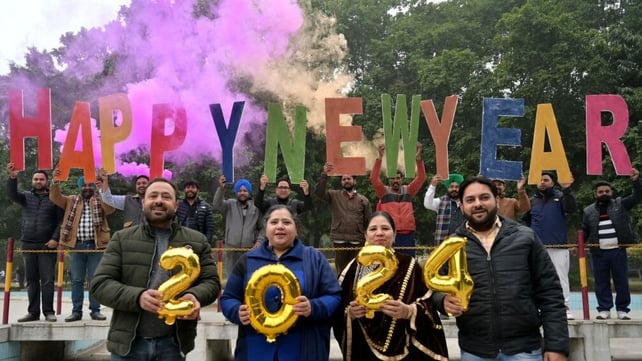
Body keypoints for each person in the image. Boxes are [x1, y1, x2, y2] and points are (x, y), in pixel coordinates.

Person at [434, 176, 568, 361]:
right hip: (475, 350)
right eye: (470, 200)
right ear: (462, 206)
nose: (478, 204)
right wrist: (441, 300)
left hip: (524, 349)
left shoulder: (525, 237)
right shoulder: (451, 245)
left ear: (496, 200)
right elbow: (432, 288)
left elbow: (550, 293)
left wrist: (557, 346)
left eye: (484, 197)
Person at [91, 178, 220, 360]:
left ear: (176, 205)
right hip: (128, 345)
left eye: (166, 196)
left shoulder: (197, 241)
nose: (159, 200)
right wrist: (138, 297)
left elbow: (212, 282)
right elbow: (100, 284)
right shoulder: (121, 238)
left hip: (174, 344)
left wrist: (195, 295)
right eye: (153, 196)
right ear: (144, 203)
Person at [221, 205, 341, 361]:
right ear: (265, 228)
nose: (280, 227)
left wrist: (313, 307)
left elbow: (334, 295)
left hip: (302, 349)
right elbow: (228, 298)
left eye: (286, 222)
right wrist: (236, 311)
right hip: (254, 349)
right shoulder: (247, 260)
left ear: (296, 228)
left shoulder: (314, 259)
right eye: (274, 222)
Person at [333, 211, 448, 361]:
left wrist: (408, 311)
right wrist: (350, 313)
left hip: (404, 348)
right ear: (366, 235)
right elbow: (338, 308)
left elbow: (428, 305)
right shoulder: (351, 269)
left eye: (385, 229)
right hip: (363, 349)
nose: (379, 233)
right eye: (373, 229)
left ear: (394, 235)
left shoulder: (409, 265)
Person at [50, 170, 115, 322]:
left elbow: (110, 208)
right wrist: (55, 181)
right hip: (76, 246)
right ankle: (76, 311)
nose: (87, 188)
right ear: (80, 187)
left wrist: (103, 186)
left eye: (90, 185)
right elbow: (55, 197)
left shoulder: (101, 200)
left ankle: (95, 310)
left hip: (96, 246)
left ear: (94, 187)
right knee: (77, 280)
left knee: (95, 279)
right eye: (84, 185)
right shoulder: (71, 200)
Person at [582, 168, 641, 320]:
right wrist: (579, 245)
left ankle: (622, 310)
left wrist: (635, 181)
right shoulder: (588, 211)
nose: (604, 194)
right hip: (598, 252)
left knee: (621, 281)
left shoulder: (620, 204)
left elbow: (637, 197)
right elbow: (584, 230)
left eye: (607, 191)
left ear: (611, 192)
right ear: (595, 194)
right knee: (601, 282)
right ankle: (604, 309)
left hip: (617, 250)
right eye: (600, 192)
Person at [7, 163, 63, 322]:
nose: (38, 181)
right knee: (31, 280)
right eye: (35, 179)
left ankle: (48, 312)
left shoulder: (54, 198)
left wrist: (55, 239)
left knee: (47, 280)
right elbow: (12, 194)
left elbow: (61, 222)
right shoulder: (25, 197)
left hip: (47, 245)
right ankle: (33, 312)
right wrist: (12, 177)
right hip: (28, 244)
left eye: (41, 179)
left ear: (46, 181)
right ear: (32, 181)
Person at [522, 171, 577, 320]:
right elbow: (525, 221)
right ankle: (539, 307)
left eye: (546, 179)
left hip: (559, 247)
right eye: (540, 180)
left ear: (553, 182)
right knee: (536, 278)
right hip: (537, 248)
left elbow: (571, 208)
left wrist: (566, 189)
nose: (542, 182)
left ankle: (564, 307)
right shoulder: (532, 201)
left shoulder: (561, 197)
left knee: (560, 278)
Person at [370, 143, 426, 256]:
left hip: (408, 234)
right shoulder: (383, 192)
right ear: (389, 180)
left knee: (409, 263)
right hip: (391, 234)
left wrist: (418, 159)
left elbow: (421, 177)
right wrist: (379, 158)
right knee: (391, 264)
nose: (395, 180)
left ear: (401, 179)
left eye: (398, 178)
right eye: (392, 178)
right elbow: (373, 178)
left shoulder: (409, 190)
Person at [315, 162, 372, 273]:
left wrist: (368, 240)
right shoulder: (334, 195)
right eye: (344, 179)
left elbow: (368, 222)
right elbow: (319, 193)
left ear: (354, 181)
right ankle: (341, 290)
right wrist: (324, 174)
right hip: (339, 240)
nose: (346, 181)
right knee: (341, 272)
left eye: (349, 178)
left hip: (357, 241)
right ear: (341, 182)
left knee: (356, 271)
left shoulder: (364, 200)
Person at [213, 175, 263, 278]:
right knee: (232, 278)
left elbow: (263, 227)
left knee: (249, 277)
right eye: (239, 191)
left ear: (249, 192)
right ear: (236, 193)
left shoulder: (256, 207)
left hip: (249, 250)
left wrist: (259, 241)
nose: (242, 193)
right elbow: (217, 204)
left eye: (245, 190)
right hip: (231, 250)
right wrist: (221, 188)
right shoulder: (230, 204)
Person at [423, 173, 465, 246]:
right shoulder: (440, 202)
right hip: (444, 244)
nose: (454, 189)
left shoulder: (467, 202)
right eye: (451, 187)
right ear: (448, 188)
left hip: (464, 242)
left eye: (457, 187)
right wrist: (433, 186)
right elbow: (427, 204)